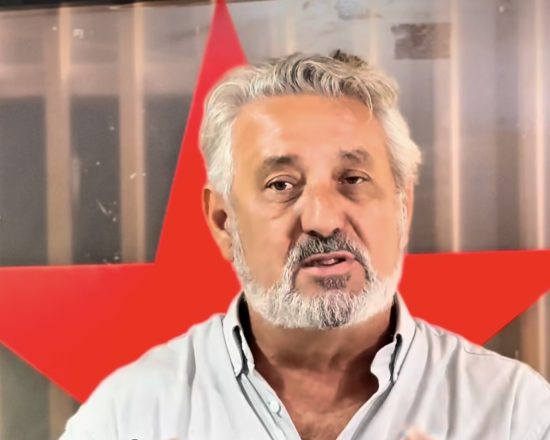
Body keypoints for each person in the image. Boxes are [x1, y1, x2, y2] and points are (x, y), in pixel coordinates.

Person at [60, 51, 550, 440]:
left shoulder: (513, 412)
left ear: (403, 207)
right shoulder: (130, 416)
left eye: (353, 178)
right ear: (224, 222)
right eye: (281, 185)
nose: (322, 220)